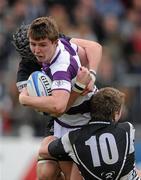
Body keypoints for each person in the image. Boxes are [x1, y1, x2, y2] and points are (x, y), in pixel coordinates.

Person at [15, 16, 101, 180]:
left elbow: (94, 47)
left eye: (41, 45)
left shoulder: (59, 53)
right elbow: (52, 111)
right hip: (61, 120)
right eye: (33, 46)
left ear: (53, 42)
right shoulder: (25, 72)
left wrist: (91, 75)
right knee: (45, 173)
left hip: (86, 115)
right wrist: (78, 87)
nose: (37, 52)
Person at [39, 87, 141, 180]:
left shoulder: (74, 139)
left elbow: (44, 151)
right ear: (116, 113)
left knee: (48, 170)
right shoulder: (128, 128)